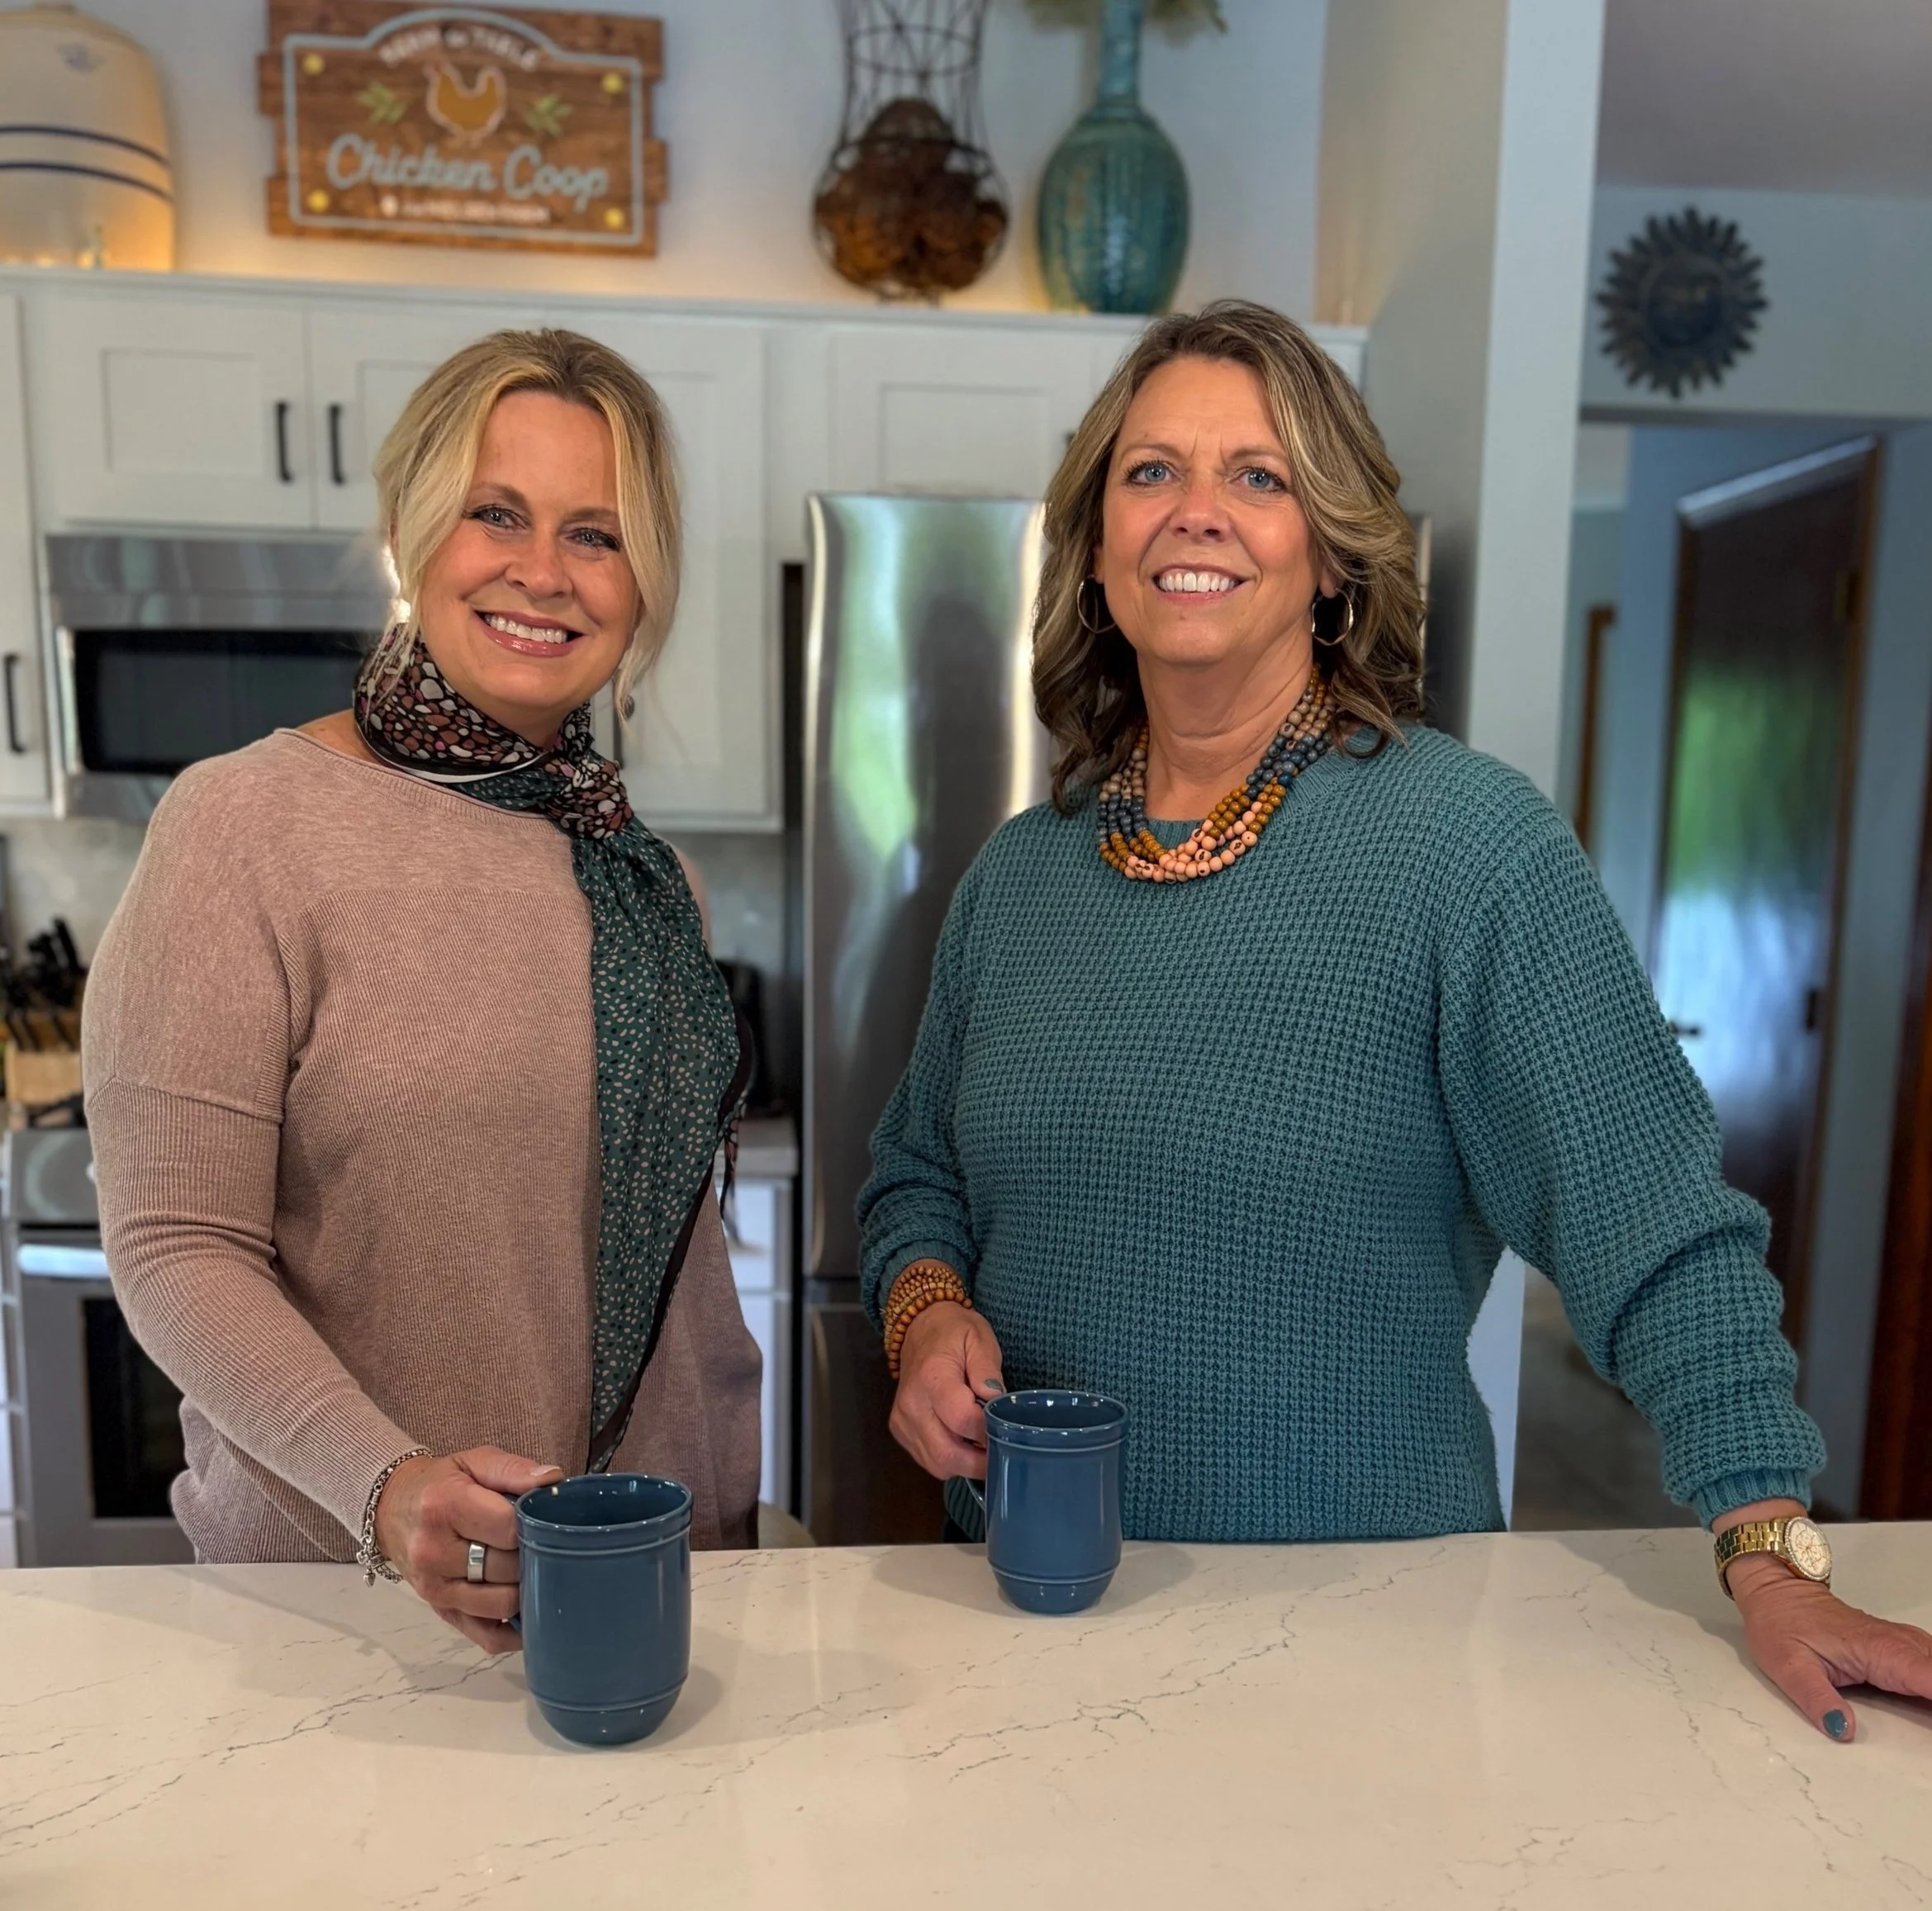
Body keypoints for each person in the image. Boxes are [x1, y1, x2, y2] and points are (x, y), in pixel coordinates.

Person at [859, 300, 1932, 1741]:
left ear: (1333, 552)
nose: (1198, 513)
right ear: (1098, 539)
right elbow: (914, 1177)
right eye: (1150, 470)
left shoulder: (1464, 846)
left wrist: (1769, 1551)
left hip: (1364, 1643)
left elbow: (1652, 1221)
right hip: (1028, 1618)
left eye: (1259, 475)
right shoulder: (1023, 870)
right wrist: (926, 1320)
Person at [83, 329, 761, 1653]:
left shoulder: (638, 870)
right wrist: (386, 1488)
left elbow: (676, 1282)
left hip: (654, 1571)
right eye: (493, 512)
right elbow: (174, 1245)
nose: (541, 572)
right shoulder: (243, 828)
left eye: (597, 534)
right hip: (349, 1608)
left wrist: (726, 1504)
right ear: (407, 531)